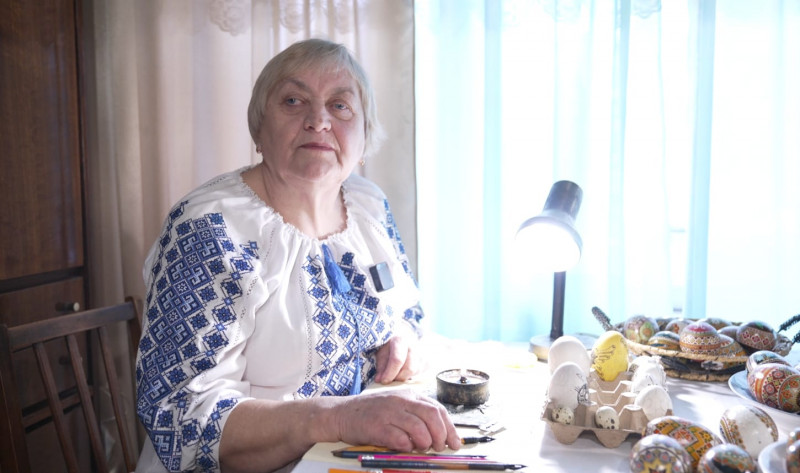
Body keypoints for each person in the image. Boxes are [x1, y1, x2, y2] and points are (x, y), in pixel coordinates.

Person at [133, 38, 461, 473]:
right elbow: (177, 416)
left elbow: (408, 310)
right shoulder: (210, 229)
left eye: (340, 106)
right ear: (259, 129)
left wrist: (399, 336)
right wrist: (337, 418)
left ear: (364, 137)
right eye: (293, 101)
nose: (318, 121)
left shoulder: (368, 205)